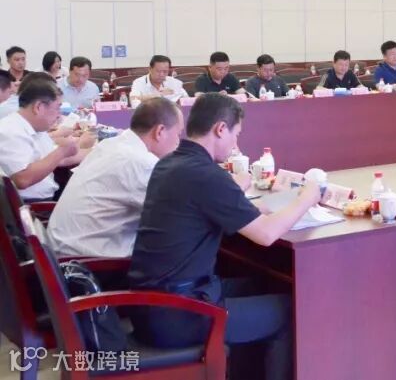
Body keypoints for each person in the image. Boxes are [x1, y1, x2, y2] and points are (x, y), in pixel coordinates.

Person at [128, 94, 321, 380]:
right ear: (220, 129)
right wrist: (306, 198)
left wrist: (246, 199)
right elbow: (266, 234)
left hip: (150, 304)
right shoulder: (206, 174)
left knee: (260, 284)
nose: (235, 145)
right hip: (179, 314)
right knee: (289, 310)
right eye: (236, 134)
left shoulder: (170, 164)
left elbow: (207, 204)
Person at [48, 99, 184, 259]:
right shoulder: (139, 162)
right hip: (86, 263)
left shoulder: (111, 144)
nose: (178, 142)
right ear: (160, 131)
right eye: (178, 134)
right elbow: (178, 216)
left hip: (63, 250)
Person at [0, 76, 95, 201]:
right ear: (38, 107)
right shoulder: (11, 130)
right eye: (57, 108)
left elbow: (58, 160)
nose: (59, 115)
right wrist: (62, 151)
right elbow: (22, 179)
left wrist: (98, 150)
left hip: (45, 197)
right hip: (32, 205)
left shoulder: (35, 127)